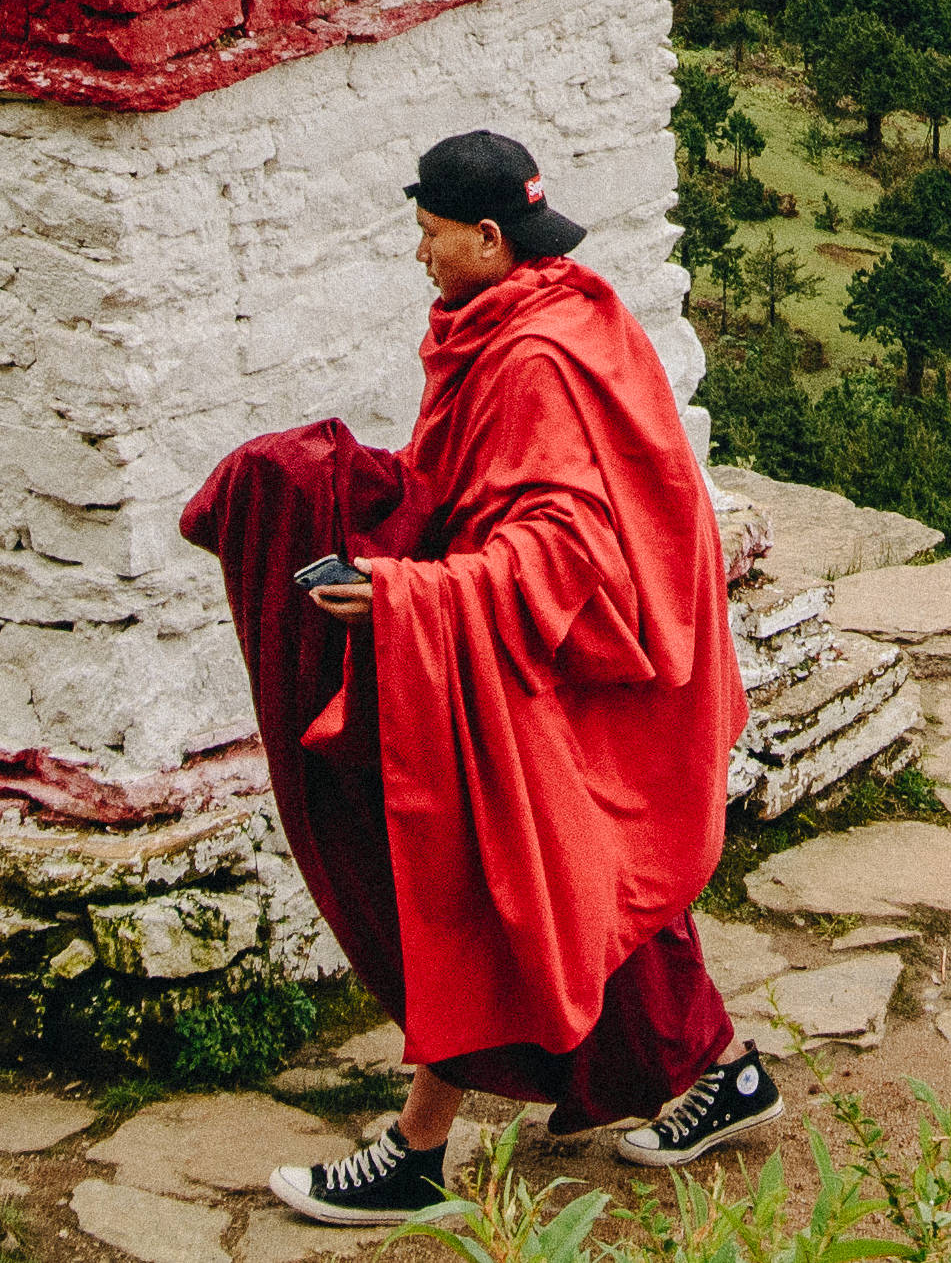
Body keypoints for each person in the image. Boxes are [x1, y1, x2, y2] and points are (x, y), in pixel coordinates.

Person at [180, 132, 777, 1230]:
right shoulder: (543, 310)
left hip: (586, 655)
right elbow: (477, 492)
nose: (418, 253)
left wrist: (411, 598)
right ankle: (724, 1071)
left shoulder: (538, 358)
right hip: (563, 645)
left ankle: (416, 1149)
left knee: (487, 872)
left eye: (429, 232)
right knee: (590, 880)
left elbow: (562, 546)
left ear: (489, 236)